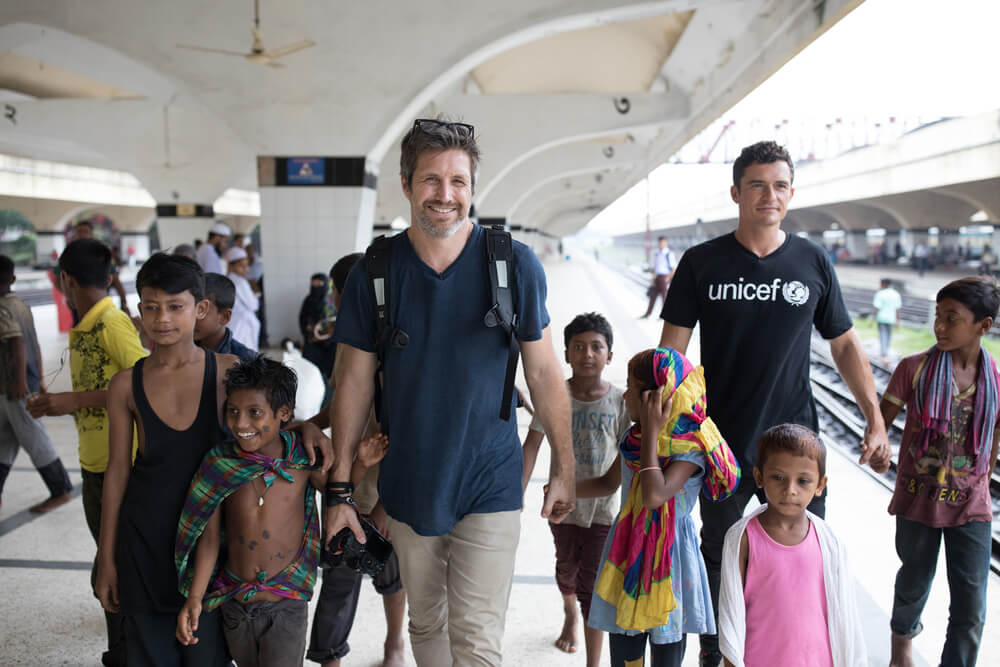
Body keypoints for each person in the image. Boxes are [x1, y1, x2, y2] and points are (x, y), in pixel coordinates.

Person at [326, 117, 575, 666]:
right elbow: (354, 383)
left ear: (472, 187)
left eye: (458, 181)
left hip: (490, 479)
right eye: (432, 180)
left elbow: (543, 374)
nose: (445, 195)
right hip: (411, 480)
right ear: (407, 184)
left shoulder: (512, 265)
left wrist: (565, 464)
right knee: (426, 620)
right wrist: (341, 490)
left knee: (478, 638)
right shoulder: (377, 272)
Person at [657, 140, 890, 667]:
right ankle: (717, 654)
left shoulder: (812, 260)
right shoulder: (702, 262)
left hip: (794, 446)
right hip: (718, 444)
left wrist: (874, 418)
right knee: (719, 553)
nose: (770, 195)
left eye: (780, 185)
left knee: (803, 556)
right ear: (737, 191)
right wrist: (660, 428)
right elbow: (670, 354)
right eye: (758, 185)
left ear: (791, 193)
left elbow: (845, 343)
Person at [94, 253, 332, 666]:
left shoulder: (225, 370)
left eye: (174, 307)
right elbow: (117, 474)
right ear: (138, 311)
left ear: (200, 309)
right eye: (151, 308)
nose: (162, 318)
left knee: (206, 657)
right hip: (146, 540)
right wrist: (107, 556)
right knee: (150, 654)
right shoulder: (124, 385)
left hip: (216, 543)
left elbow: (260, 424)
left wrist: (305, 427)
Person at [174, 356, 386, 667]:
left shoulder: (302, 457)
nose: (241, 423)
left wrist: (360, 465)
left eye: (254, 413)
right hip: (235, 600)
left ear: (284, 414)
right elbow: (207, 541)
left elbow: (335, 498)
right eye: (233, 412)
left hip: (286, 603)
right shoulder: (220, 463)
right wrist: (194, 598)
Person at [27, 238, 148, 666]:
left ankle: (125, 650)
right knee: (109, 560)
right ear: (110, 276)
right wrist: (59, 401)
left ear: (65, 281)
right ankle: (125, 644)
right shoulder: (88, 325)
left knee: (111, 566)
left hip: (122, 463)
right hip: (97, 461)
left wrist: (73, 401)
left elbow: (144, 380)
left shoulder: (108, 324)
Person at [579, 348, 740, 667]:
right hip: (627, 556)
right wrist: (564, 490)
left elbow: (655, 495)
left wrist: (652, 432)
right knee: (626, 650)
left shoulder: (690, 449)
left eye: (631, 388)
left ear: (658, 398)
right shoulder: (634, 439)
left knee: (667, 654)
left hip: (670, 566)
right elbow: (608, 483)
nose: (624, 395)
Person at [879, 276, 1000, 667]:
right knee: (913, 582)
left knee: (971, 601)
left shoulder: (996, 382)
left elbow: (994, 441)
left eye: (952, 318)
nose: (940, 327)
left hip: (971, 505)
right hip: (919, 497)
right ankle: (902, 648)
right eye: (937, 316)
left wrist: (979, 477)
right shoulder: (913, 368)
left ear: (984, 325)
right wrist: (878, 448)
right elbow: (881, 425)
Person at [306, 250, 408, 667]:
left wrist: (385, 503)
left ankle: (394, 643)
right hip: (348, 485)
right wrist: (307, 424)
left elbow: (409, 431)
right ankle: (330, 655)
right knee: (338, 580)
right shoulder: (347, 345)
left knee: (392, 576)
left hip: (390, 488)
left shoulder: (398, 348)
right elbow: (343, 405)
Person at [520, 312, 629, 667]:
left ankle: (593, 662)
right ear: (566, 354)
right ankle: (569, 613)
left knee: (592, 588)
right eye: (578, 347)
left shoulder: (620, 402)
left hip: (604, 511)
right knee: (565, 570)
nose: (587, 354)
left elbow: (630, 456)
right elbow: (532, 444)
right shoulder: (555, 397)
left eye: (597, 347)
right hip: (561, 510)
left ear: (609, 355)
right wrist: (515, 493)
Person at [718, 424, 866, 667]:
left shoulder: (829, 542)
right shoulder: (743, 539)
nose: (790, 490)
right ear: (759, 476)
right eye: (778, 477)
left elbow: (845, 614)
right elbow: (730, 613)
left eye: (804, 481)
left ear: (820, 485)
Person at [0, 254, 73, 513]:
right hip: (19, 384)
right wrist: (39, 378)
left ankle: (61, 489)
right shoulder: (20, 305)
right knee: (4, 440)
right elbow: (35, 344)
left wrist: (20, 381)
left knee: (35, 439)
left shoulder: (3, 308)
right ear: (14, 278)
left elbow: (17, 343)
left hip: (15, 387)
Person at [194, 273, 256, 363]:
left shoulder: (244, 361)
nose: (193, 318)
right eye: (191, 310)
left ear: (224, 317)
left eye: (202, 310)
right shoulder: (180, 350)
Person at [299, 273, 336, 386]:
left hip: (331, 344)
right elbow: (302, 319)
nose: (316, 288)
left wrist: (327, 333)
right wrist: (309, 332)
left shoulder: (332, 301)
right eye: (314, 284)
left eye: (319, 284)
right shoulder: (308, 301)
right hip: (313, 342)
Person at [226, 246, 260, 352]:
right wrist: (255, 296)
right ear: (232, 266)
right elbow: (253, 305)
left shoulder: (227, 279)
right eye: (242, 266)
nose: (246, 269)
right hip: (243, 325)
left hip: (233, 324)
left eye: (247, 265)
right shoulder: (240, 282)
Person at [642, 237, 677, 319]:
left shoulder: (669, 254)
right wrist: (652, 278)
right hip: (657, 277)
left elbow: (673, 268)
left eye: (662, 243)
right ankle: (648, 314)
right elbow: (654, 268)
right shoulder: (657, 253)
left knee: (664, 298)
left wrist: (667, 279)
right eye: (659, 243)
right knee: (653, 296)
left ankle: (664, 316)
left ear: (665, 243)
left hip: (664, 277)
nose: (661, 244)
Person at [873, 278, 902, 365]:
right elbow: (898, 309)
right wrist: (897, 321)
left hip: (881, 318)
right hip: (891, 318)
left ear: (884, 284)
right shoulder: (896, 294)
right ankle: (885, 352)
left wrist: (873, 318)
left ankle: (883, 354)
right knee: (888, 336)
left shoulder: (880, 293)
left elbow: (877, 307)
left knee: (882, 335)